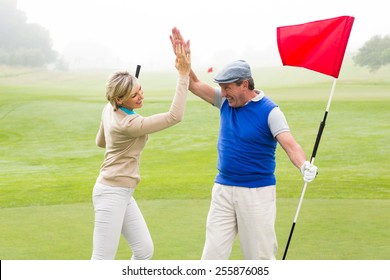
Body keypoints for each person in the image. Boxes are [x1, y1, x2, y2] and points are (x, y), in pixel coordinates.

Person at [170, 27, 317, 260]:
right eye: (221, 87)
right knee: (211, 258)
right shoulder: (225, 101)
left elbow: (291, 145)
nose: (223, 92)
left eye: (228, 87)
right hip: (223, 189)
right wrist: (184, 62)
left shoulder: (270, 111)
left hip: (257, 194)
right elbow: (194, 85)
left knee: (258, 258)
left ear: (245, 85)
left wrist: (304, 165)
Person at [91, 41, 191, 260]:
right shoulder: (130, 124)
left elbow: (101, 142)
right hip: (111, 192)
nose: (141, 96)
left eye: (140, 90)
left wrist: (118, 145)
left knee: (144, 251)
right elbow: (175, 116)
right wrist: (183, 75)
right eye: (135, 95)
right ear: (119, 98)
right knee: (101, 260)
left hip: (122, 192)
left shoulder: (109, 108)